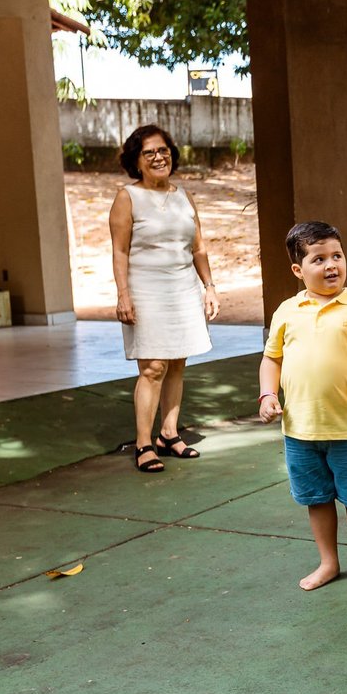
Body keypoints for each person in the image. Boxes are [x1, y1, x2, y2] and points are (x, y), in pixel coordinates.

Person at [258, 221, 347, 591]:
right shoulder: (287, 311)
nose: (332, 264)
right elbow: (272, 359)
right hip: (300, 428)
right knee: (316, 498)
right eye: (319, 259)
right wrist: (268, 394)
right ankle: (328, 562)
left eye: (337, 255)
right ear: (298, 270)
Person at [109, 124, 220, 473]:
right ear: (136, 160)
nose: (159, 157)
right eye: (149, 152)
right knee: (153, 366)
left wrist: (210, 286)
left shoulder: (184, 195)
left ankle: (169, 434)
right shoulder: (128, 197)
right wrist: (123, 294)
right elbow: (119, 251)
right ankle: (144, 443)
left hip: (183, 288)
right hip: (146, 290)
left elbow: (198, 247)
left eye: (163, 150)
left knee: (177, 363)